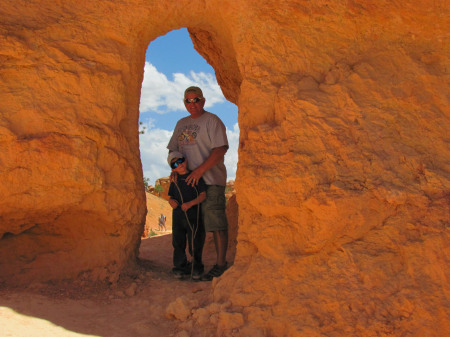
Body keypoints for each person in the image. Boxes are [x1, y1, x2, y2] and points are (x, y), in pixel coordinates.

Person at [167, 86, 229, 282]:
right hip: (187, 184)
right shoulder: (181, 123)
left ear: (203, 101)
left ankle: (220, 265)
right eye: (188, 100)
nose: (192, 104)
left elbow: (220, 149)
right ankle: (193, 265)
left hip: (210, 181)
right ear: (184, 103)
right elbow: (173, 151)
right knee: (191, 226)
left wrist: (200, 170)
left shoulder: (212, 121)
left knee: (215, 222)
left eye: (196, 100)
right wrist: (174, 169)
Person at [167, 151, 207, 280]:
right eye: (175, 164)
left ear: (186, 160)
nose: (180, 165)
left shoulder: (195, 176)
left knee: (195, 241)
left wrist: (190, 203)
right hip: (178, 216)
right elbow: (170, 197)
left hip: (193, 215)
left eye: (181, 160)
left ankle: (196, 268)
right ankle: (180, 268)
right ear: (173, 168)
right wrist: (171, 202)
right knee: (178, 242)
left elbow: (202, 195)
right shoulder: (174, 180)